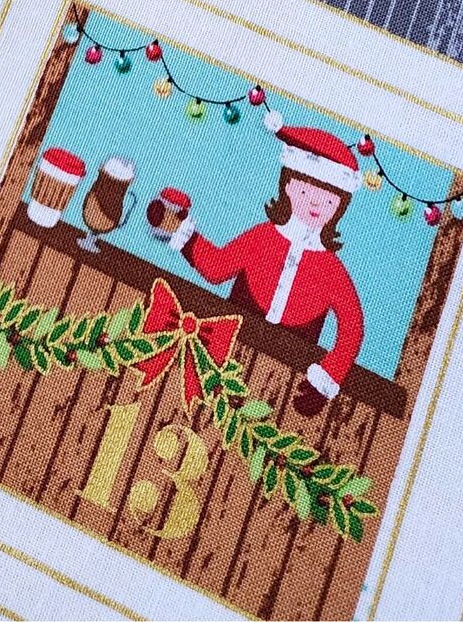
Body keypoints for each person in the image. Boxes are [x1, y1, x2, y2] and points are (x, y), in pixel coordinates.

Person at [146, 124, 365, 416]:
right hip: (225, 355)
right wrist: (186, 235)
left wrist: (328, 376)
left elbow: (352, 326)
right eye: (305, 190)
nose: (316, 203)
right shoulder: (262, 237)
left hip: (282, 381)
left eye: (328, 199)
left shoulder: (331, 270)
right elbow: (217, 267)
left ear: (339, 207)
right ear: (288, 187)